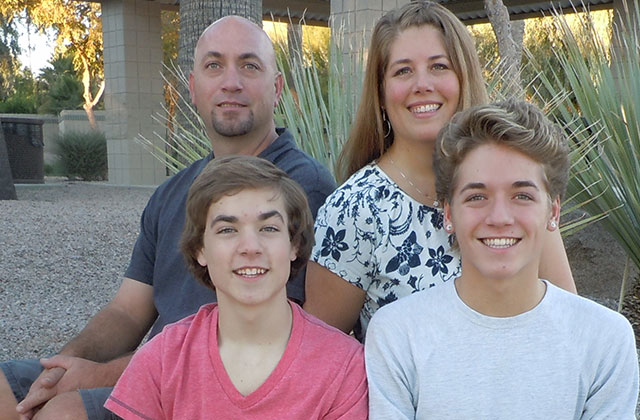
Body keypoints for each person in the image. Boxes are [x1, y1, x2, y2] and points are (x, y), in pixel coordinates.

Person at [0, 16, 336, 420]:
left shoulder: (300, 190)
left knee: (65, 413)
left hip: (205, 389)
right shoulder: (171, 193)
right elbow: (127, 311)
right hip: (152, 369)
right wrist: (63, 366)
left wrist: (94, 378)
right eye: (214, 65)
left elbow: (262, 338)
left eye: (249, 65)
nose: (231, 82)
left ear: (277, 88)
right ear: (192, 87)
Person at [303, 1, 576, 341]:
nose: (422, 84)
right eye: (403, 71)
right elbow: (319, 350)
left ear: (464, 77)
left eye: (439, 66)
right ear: (381, 92)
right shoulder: (355, 211)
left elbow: (569, 324)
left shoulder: (518, 185)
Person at [365, 100, 639, 419]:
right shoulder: (399, 334)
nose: (499, 217)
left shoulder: (605, 339)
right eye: (477, 197)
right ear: (448, 214)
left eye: (522, 196)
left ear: (553, 211)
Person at [104, 156, 367, 419]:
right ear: (200, 249)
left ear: (294, 245)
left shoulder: (343, 367)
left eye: (269, 228)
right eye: (227, 230)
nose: (250, 247)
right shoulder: (161, 361)